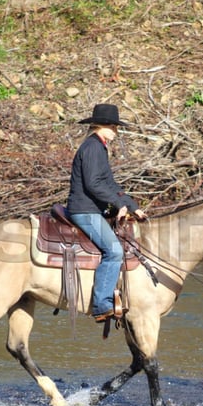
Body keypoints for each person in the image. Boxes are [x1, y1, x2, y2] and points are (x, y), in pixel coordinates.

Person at [66, 103, 147, 322]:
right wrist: (116, 204)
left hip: (92, 207)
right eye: (114, 126)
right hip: (84, 210)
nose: (116, 131)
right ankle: (102, 305)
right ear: (103, 126)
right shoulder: (92, 148)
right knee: (114, 251)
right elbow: (93, 184)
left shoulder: (98, 147)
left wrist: (131, 205)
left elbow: (109, 183)